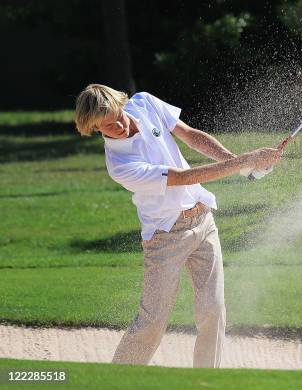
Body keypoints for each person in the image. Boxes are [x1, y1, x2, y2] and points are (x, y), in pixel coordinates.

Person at [74, 84, 282, 368]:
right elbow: (183, 177)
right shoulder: (120, 163)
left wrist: (244, 166)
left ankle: (206, 382)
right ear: (96, 130)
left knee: (214, 310)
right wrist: (246, 161)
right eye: (108, 127)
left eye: (118, 116)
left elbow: (191, 136)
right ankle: (117, 382)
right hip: (165, 237)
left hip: (204, 221)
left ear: (122, 103)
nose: (120, 126)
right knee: (152, 322)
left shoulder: (145, 103)